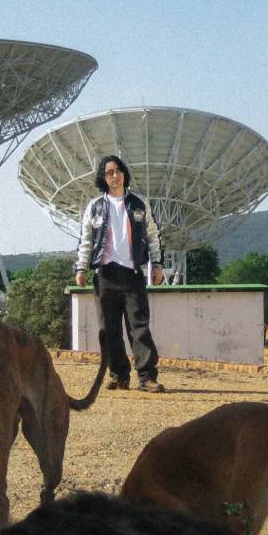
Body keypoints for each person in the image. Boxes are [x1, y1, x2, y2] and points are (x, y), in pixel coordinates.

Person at [75, 154, 166, 392]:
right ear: (103, 179)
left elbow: (153, 236)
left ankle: (147, 377)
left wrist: (156, 265)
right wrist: (81, 268)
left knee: (139, 328)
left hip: (132, 273)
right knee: (109, 330)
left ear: (124, 173)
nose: (114, 176)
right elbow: (86, 240)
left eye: (117, 171)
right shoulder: (95, 207)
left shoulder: (139, 204)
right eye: (108, 173)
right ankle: (118, 375)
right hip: (105, 275)